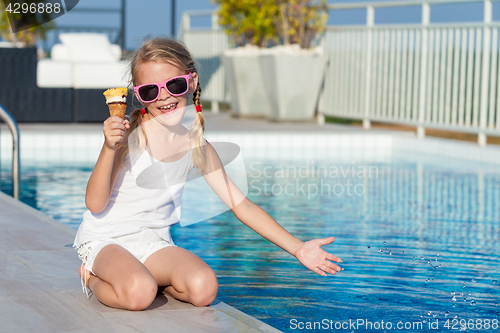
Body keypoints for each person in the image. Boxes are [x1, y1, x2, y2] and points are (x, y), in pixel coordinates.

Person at [74, 37, 342, 311]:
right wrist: (109, 147)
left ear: (190, 83)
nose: (164, 97)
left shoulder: (196, 146)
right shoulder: (128, 138)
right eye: (150, 91)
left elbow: (242, 206)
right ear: (140, 96)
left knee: (204, 288)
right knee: (140, 293)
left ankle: (150, 277)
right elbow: (94, 204)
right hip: (108, 239)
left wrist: (297, 248)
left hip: (153, 241)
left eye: (173, 85)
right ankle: (92, 277)